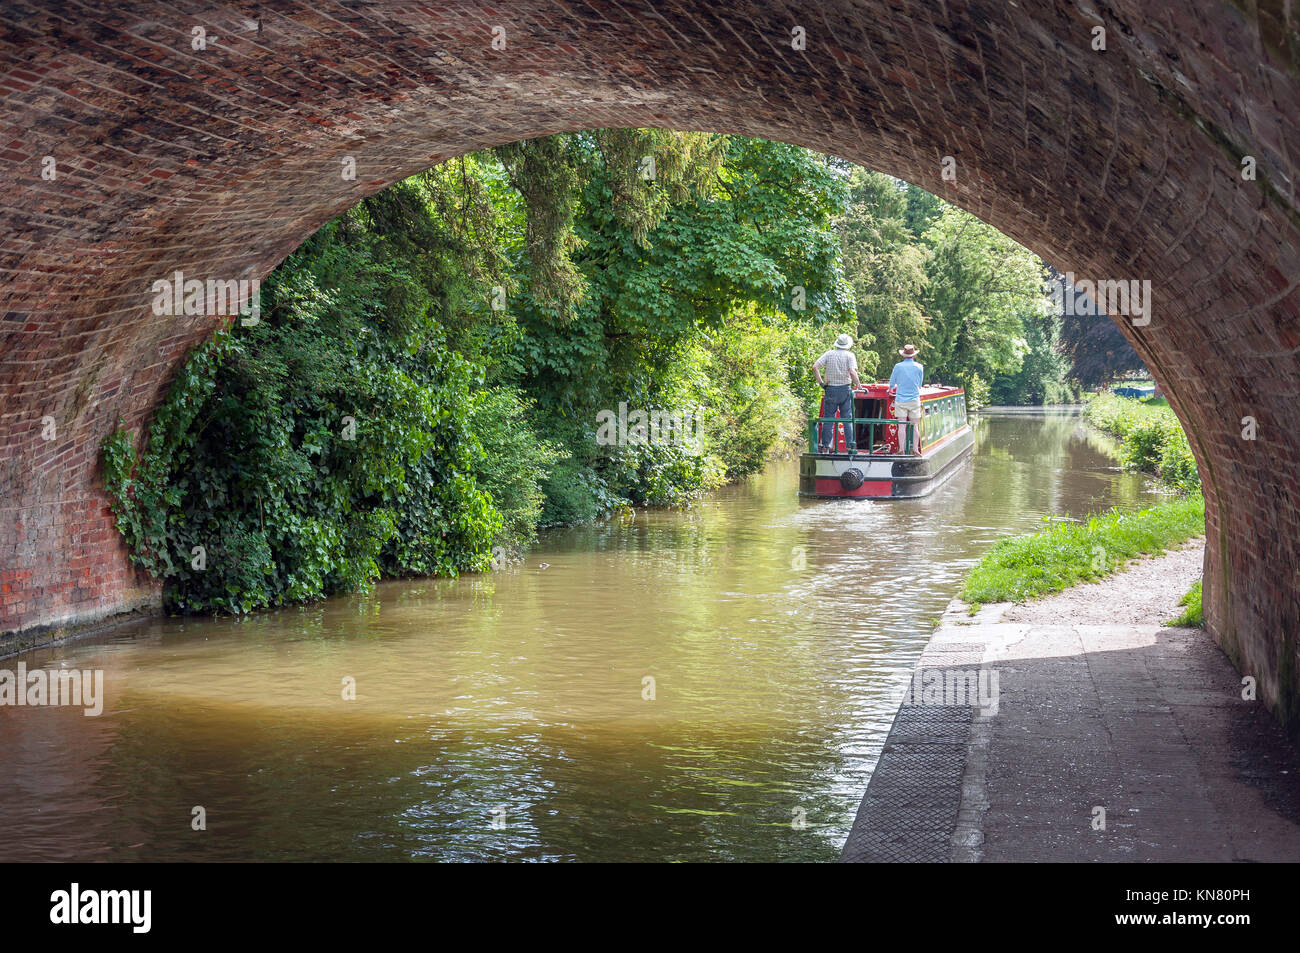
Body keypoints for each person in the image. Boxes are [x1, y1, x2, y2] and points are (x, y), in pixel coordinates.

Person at [813, 334, 862, 453]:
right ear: (847, 345)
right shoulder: (850, 356)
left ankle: (825, 446)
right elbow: (852, 372)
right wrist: (859, 386)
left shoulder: (829, 354)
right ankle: (850, 446)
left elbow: (815, 367)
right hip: (845, 390)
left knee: (829, 418)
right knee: (847, 419)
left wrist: (821, 383)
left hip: (830, 390)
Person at [888, 344, 925, 455]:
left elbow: (892, 382)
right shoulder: (919, 367)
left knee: (902, 426)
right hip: (914, 400)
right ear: (914, 355)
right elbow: (919, 384)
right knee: (914, 426)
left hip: (901, 400)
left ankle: (901, 449)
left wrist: (890, 389)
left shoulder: (898, 366)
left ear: (903, 355)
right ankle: (915, 449)